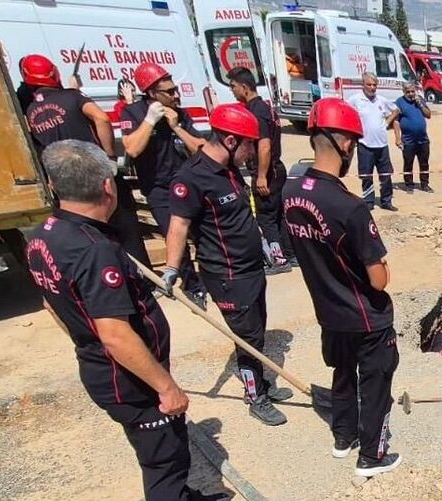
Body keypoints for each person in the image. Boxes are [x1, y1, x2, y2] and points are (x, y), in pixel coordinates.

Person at [27, 140, 235, 501]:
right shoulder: (93, 249)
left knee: (171, 445)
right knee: (161, 457)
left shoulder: (45, 236)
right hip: (127, 377)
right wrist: (166, 386)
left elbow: (52, 303)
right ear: (109, 186)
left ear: (53, 184)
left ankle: (185, 500)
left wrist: (84, 341)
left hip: (109, 367)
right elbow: (117, 335)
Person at [281, 98, 403, 476]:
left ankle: (343, 436)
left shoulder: (291, 193)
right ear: (346, 144)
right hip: (366, 316)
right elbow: (377, 279)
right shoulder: (350, 207)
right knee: (377, 382)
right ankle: (373, 455)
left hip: (329, 312)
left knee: (342, 372)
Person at [163, 104, 291, 427]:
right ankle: (255, 396)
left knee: (257, 331)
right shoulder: (192, 179)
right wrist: (171, 269)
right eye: (249, 144)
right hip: (227, 274)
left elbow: (201, 146)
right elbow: (178, 225)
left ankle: (261, 384)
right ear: (232, 141)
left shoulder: (228, 168)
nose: (252, 152)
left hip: (250, 268)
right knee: (246, 339)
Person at [18, 54, 150, 268]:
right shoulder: (73, 97)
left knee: (89, 230)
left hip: (66, 180)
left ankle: (109, 270)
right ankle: (142, 277)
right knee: (124, 222)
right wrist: (108, 156)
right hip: (94, 169)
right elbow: (102, 117)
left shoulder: (30, 111)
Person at [121, 62, 209, 306]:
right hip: (158, 187)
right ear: (151, 93)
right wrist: (150, 122)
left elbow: (201, 149)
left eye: (175, 89)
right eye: (169, 92)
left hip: (187, 182)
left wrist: (177, 127)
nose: (175, 95)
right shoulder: (133, 113)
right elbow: (132, 149)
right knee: (172, 236)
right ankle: (192, 285)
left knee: (202, 232)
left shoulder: (180, 114)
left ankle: (211, 276)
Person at [227, 67, 292, 270]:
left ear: (245, 87)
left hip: (267, 171)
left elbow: (264, 145)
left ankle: (278, 259)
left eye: (234, 87)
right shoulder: (265, 107)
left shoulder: (257, 112)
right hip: (275, 169)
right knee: (278, 215)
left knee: (266, 217)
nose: (233, 91)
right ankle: (290, 254)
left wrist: (261, 176)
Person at [347, 73, 400, 211]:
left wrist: (387, 121)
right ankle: (369, 201)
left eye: (374, 85)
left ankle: (386, 201)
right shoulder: (355, 100)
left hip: (382, 144)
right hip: (365, 144)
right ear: (363, 85)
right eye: (369, 84)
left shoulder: (381, 100)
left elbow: (396, 110)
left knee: (386, 175)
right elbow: (345, 112)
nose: (372, 87)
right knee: (366, 175)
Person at [391, 82, 433, 192]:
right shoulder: (399, 102)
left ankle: (425, 184)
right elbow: (396, 121)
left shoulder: (420, 100)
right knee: (408, 162)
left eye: (412, 91)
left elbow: (428, 115)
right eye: (408, 92)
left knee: (424, 163)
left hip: (423, 139)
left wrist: (420, 104)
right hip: (408, 140)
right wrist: (398, 138)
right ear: (404, 92)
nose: (410, 94)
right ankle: (409, 185)